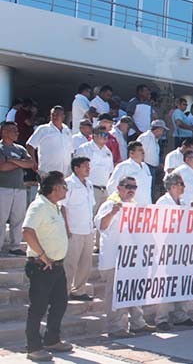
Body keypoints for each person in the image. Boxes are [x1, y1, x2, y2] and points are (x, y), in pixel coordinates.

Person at [95, 176, 156, 338]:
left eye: (134, 187)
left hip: (133, 258)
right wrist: (112, 212)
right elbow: (101, 226)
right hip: (114, 258)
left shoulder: (135, 207)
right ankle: (115, 327)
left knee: (134, 290)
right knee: (114, 294)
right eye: (128, 186)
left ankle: (137, 323)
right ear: (119, 188)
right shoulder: (109, 204)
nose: (131, 190)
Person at [22, 171, 74, 361]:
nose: (66, 190)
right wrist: (43, 256)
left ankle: (52, 339)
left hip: (57, 266)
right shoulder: (39, 206)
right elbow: (27, 231)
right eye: (64, 186)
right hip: (41, 266)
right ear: (55, 188)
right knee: (38, 307)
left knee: (60, 303)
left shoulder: (56, 207)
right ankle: (33, 347)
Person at [154, 174, 193, 331]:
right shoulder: (163, 202)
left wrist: (192, 211)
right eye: (180, 184)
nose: (183, 187)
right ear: (172, 186)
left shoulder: (184, 202)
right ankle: (161, 318)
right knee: (167, 283)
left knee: (183, 281)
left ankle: (182, 315)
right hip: (168, 247)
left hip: (183, 247)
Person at [59, 157, 95, 301]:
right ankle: (63, 292)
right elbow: (62, 206)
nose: (88, 168)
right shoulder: (68, 183)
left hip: (87, 229)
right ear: (76, 168)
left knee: (85, 264)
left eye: (89, 166)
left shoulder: (90, 184)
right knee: (70, 264)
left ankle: (79, 291)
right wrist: (66, 228)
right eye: (85, 166)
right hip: (73, 229)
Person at [0, 121, 35, 256]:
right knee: (1, 219)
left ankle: (15, 246)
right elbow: (2, 167)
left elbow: (31, 163)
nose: (17, 133)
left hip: (19, 188)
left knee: (18, 218)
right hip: (3, 187)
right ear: (4, 132)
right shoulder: (1, 148)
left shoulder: (20, 149)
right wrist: (21, 163)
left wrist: (12, 161)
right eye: (13, 130)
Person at [26, 106, 74, 177]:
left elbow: (71, 151)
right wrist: (33, 161)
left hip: (66, 174)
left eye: (57, 114)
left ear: (63, 117)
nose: (55, 116)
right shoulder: (43, 129)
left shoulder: (67, 131)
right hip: (47, 172)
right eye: (52, 114)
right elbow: (30, 145)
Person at [108, 141, 153, 206]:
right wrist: (119, 203)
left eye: (143, 150)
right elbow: (111, 186)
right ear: (131, 153)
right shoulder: (123, 166)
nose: (143, 152)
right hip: (130, 207)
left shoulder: (146, 167)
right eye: (140, 150)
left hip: (146, 206)